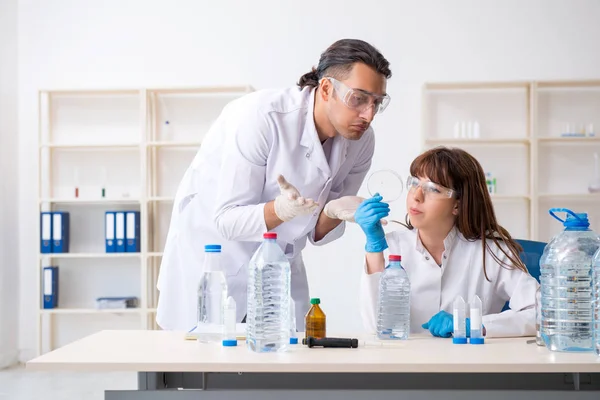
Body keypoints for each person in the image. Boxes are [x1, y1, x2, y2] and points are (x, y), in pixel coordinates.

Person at [156, 39, 393, 331]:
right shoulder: (262, 117)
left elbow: (316, 231)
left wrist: (331, 213)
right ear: (328, 89)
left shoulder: (361, 142)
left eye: (377, 103)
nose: (368, 115)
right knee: (203, 363)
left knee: (285, 356)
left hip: (279, 260)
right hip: (214, 259)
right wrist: (281, 209)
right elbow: (227, 221)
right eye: (359, 98)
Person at [355, 147, 538, 338]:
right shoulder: (392, 246)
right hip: (405, 363)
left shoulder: (491, 252)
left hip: (468, 363)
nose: (416, 196)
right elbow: (375, 326)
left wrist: (475, 326)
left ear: (457, 205)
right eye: (414, 183)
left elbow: (541, 314)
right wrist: (374, 246)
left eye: (433, 189)